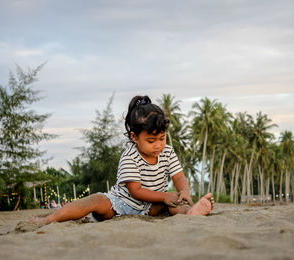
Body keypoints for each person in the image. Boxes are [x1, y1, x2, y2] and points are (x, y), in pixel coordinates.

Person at [35, 95, 214, 225]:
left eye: (162, 138)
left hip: (152, 207)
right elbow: (135, 190)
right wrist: (165, 195)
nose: (158, 145)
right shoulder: (130, 156)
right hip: (119, 204)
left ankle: (191, 212)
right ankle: (52, 218)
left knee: (176, 202)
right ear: (134, 137)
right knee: (95, 200)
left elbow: (179, 177)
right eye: (151, 141)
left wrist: (184, 191)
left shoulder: (167, 152)